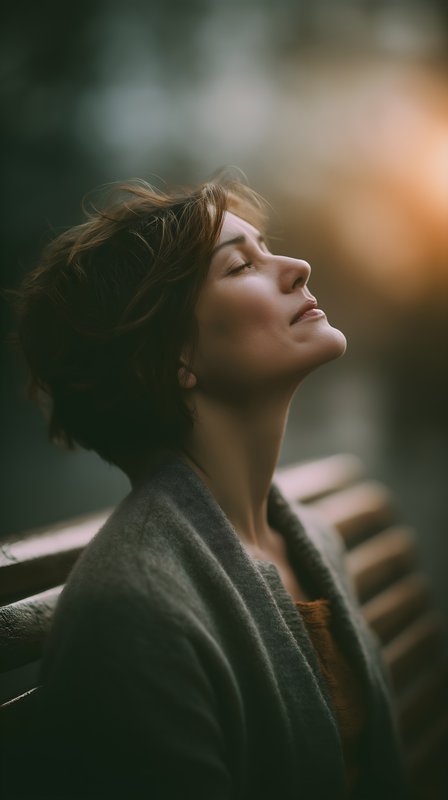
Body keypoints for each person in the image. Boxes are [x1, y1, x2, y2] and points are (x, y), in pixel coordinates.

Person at [7, 174, 410, 799]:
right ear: (173, 357)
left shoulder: (310, 540)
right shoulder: (133, 615)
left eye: (266, 248)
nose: (298, 267)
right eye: (241, 265)